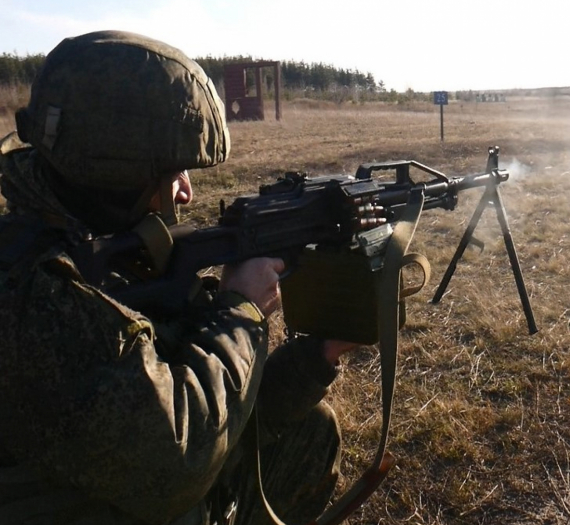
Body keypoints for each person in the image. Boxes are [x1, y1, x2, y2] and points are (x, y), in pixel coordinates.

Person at [0, 30, 351, 525]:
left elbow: (171, 397)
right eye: (173, 172)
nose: (185, 192)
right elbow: (177, 459)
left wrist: (317, 358)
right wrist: (241, 312)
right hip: (153, 486)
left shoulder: (87, 249)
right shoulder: (33, 300)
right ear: (116, 171)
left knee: (310, 430)